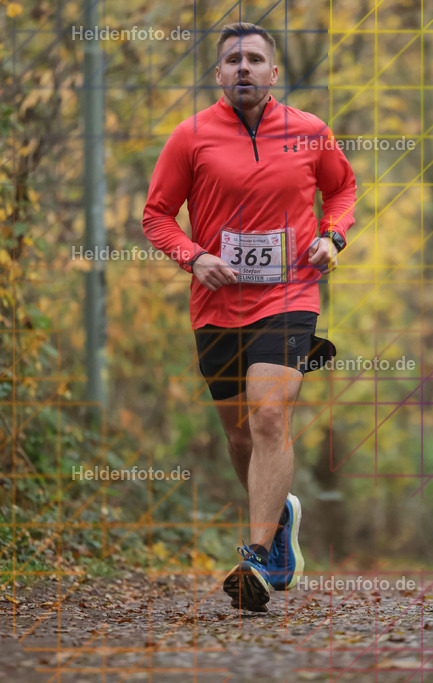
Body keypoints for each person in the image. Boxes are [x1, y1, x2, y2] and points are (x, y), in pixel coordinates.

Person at [141, 22, 357, 611]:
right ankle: (280, 516)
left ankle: (257, 556)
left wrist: (333, 239)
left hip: (291, 297)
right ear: (218, 74)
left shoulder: (310, 132)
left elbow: (343, 191)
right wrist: (194, 257)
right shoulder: (190, 137)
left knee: (268, 417)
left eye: (254, 59)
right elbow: (156, 215)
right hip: (217, 304)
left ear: (273, 73)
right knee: (239, 433)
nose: (243, 67)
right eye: (232, 59)